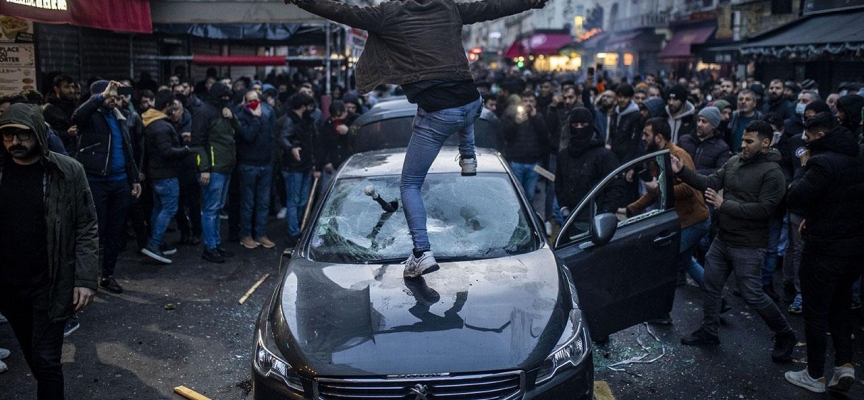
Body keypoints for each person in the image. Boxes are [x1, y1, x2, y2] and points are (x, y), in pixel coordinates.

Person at [286, 0, 547, 278]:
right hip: (473, 102)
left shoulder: (389, 13)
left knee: (409, 184)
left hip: (441, 112)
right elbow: (492, 8)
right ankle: (467, 155)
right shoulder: (448, 7)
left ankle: (421, 253)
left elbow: (341, 11)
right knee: (458, 111)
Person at [674, 120, 797, 363]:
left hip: (749, 243)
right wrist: (682, 172)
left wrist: (724, 205)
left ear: (766, 142)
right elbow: (710, 183)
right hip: (723, 238)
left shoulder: (773, 173)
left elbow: (765, 209)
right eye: (742, 140)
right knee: (710, 284)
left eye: (749, 141)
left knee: (753, 294)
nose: (743, 145)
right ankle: (709, 331)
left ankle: (785, 334)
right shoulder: (734, 162)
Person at [0, 103, 98, 399]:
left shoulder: (67, 170)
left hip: (51, 282)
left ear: (39, 135)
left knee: (46, 359)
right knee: (34, 355)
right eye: (7, 136)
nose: (14, 143)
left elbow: (86, 225)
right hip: (8, 286)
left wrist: (84, 279)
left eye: (22, 135)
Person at [783, 112, 864, 393]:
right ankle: (844, 365)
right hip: (852, 250)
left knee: (815, 312)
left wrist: (803, 167)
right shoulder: (856, 157)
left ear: (820, 136)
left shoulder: (820, 163)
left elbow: (794, 197)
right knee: (840, 307)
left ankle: (815, 374)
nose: (805, 143)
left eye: (809, 137)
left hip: (824, 251)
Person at [622, 118, 710, 315]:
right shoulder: (658, 156)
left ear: (658, 137)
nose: (643, 138)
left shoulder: (677, 155)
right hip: (685, 221)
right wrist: (631, 210)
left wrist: (660, 188)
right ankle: (718, 300)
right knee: (687, 262)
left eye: (646, 134)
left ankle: (660, 313)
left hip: (694, 221)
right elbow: (654, 192)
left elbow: (688, 187)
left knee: (665, 260)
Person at [71, 80, 142, 294]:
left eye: (115, 96)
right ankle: (84, 279)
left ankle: (108, 276)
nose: (114, 99)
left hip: (120, 182)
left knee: (115, 232)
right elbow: (77, 116)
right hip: (96, 181)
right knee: (95, 232)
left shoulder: (120, 117)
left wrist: (134, 179)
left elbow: (127, 150)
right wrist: (101, 97)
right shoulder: (90, 117)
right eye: (110, 96)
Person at [140, 91, 191, 263]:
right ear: (167, 105)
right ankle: (154, 244)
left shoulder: (151, 121)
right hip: (166, 174)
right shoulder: (162, 126)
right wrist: (186, 149)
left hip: (155, 173)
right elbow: (167, 152)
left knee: (158, 208)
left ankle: (158, 242)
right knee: (168, 208)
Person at [191, 82, 239, 263]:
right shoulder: (204, 112)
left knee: (215, 209)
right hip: (214, 169)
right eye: (224, 97)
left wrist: (232, 117)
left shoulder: (222, 111)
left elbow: (238, 131)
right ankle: (210, 247)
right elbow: (197, 143)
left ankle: (215, 244)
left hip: (223, 167)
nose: (226, 100)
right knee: (211, 209)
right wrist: (204, 168)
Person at [556, 107, 623, 233]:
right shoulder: (563, 156)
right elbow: (559, 182)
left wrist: (603, 215)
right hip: (569, 220)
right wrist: (563, 207)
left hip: (594, 224)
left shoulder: (604, 156)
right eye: (575, 125)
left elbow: (616, 187)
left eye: (583, 125)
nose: (579, 128)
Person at [235, 90, 278, 250]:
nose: (253, 103)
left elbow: (270, 137)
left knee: (263, 203)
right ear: (244, 103)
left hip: (265, 164)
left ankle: (260, 234)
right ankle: (246, 235)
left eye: (256, 100)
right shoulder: (241, 117)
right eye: (250, 100)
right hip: (248, 165)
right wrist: (255, 118)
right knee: (248, 203)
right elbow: (248, 136)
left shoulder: (265, 115)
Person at [279, 93, 319, 247]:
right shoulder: (292, 120)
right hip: (294, 167)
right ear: (303, 106)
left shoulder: (305, 120)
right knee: (295, 201)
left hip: (304, 165)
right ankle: (294, 232)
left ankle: (298, 229)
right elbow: (283, 138)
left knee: (301, 200)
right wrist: (292, 149)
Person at [42, 75, 80, 155]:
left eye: (72, 87)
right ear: (57, 89)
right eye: (67, 87)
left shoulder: (76, 107)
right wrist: (67, 134)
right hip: (58, 153)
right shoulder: (49, 109)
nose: (71, 91)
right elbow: (45, 134)